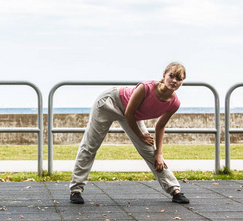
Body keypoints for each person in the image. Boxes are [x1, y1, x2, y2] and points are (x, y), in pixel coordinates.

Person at [70, 62, 190, 204]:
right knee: (90, 146)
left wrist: (159, 153)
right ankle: (76, 190)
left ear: (182, 81)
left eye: (179, 78)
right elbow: (129, 113)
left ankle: (174, 190)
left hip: (131, 115)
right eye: (171, 76)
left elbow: (160, 126)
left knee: (150, 151)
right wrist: (140, 135)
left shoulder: (174, 103)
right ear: (164, 76)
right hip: (110, 103)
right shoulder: (146, 88)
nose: (174, 81)